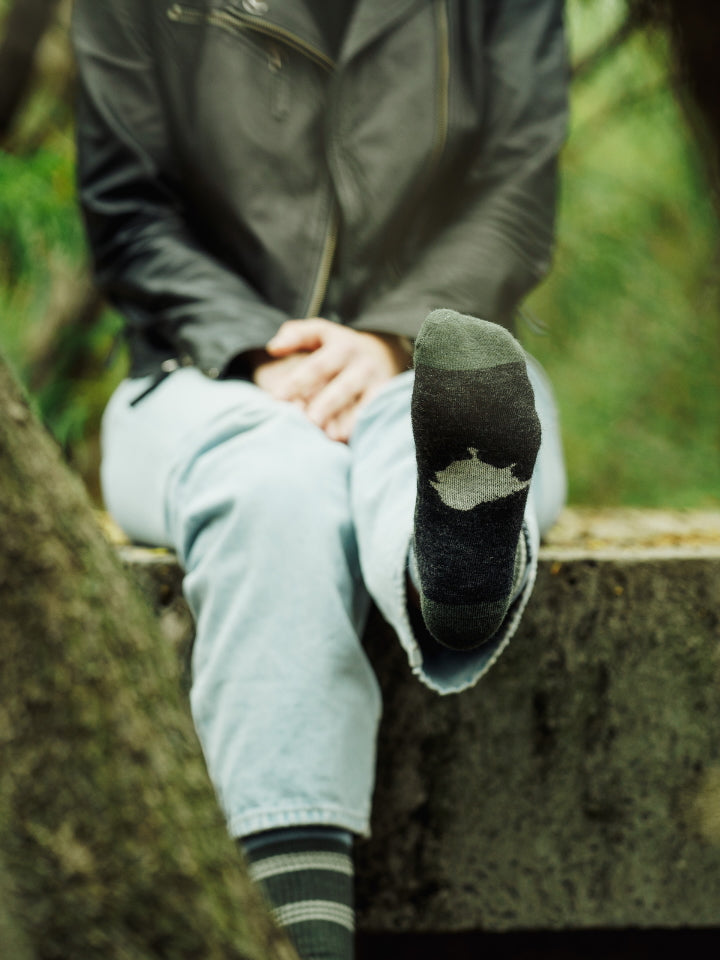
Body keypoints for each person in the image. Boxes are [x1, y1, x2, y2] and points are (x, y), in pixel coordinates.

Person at [71, 1, 568, 957]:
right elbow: (128, 214)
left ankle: (455, 563)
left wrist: (390, 338)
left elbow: (518, 192)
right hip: (202, 365)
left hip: (440, 350)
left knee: (417, 432)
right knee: (271, 484)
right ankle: (453, 582)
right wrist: (267, 353)